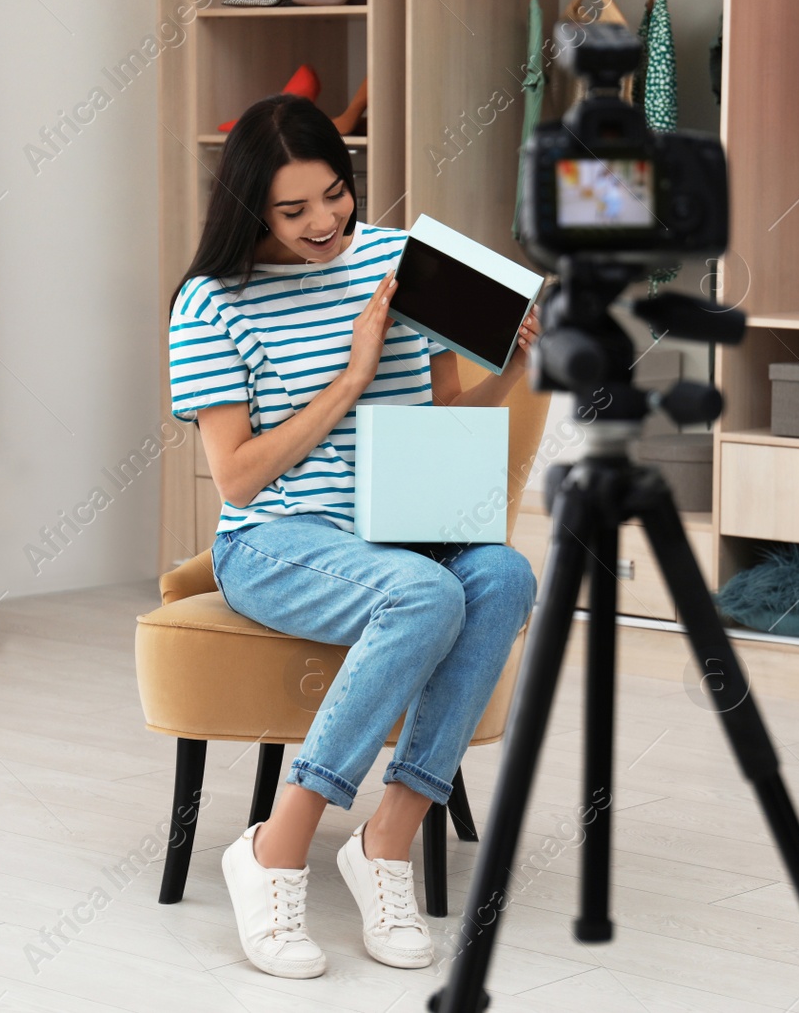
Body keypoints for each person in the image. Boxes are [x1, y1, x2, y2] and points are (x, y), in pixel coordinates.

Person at [166, 93, 539, 980]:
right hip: (274, 539)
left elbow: (445, 414)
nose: (326, 222)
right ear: (251, 209)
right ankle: (276, 847)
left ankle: (384, 842)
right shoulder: (210, 303)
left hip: (403, 523)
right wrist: (351, 378)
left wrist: (515, 368)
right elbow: (238, 477)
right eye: (293, 211)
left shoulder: (404, 262)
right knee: (425, 591)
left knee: (506, 577)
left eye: (335, 193)